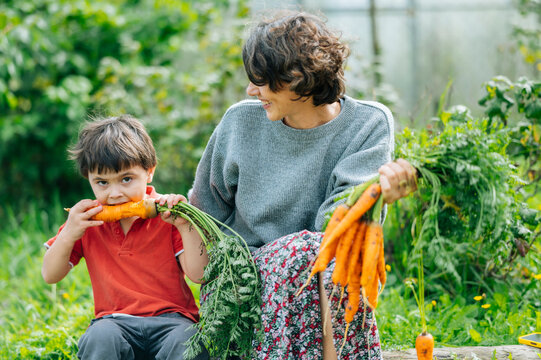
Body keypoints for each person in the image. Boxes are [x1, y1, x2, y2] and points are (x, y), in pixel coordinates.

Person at [189, 11, 417, 360]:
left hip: (322, 274)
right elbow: (204, 218)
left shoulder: (368, 124)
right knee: (308, 254)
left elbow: (334, 230)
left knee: (324, 254)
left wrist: (376, 197)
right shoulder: (240, 122)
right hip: (243, 284)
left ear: (296, 78)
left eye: (261, 80)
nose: (252, 90)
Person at [42, 115, 209, 360]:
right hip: (114, 323)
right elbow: (50, 275)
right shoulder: (86, 222)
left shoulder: (168, 214)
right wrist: (68, 234)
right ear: (88, 178)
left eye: (126, 179)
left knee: (187, 342)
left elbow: (199, 275)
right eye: (102, 182)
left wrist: (185, 226)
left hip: (172, 321)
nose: (115, 193)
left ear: (149, 172)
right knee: (98, 339)